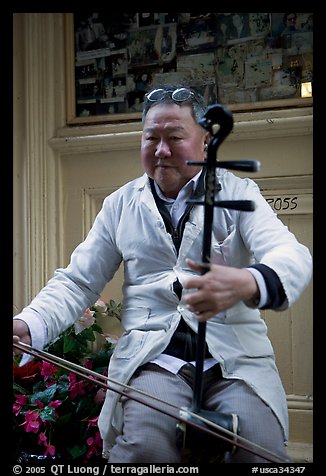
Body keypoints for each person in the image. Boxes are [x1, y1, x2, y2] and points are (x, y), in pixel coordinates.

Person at [13, 84, 312, 463]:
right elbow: (78, 280)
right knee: (144, 450)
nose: (161, 150)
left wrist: (250, 280)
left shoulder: (239, 193)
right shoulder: (120, 205)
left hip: (233, 360)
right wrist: (29, 324)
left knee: (260, 450)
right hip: (156, 359)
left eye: (175, 137)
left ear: (204, 141)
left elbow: (292, 255)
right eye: (151, 138)